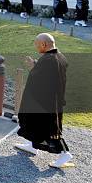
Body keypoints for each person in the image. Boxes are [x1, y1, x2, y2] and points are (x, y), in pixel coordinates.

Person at [15, 33, 73, 169]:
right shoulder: (58, 56)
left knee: (51, 129)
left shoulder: (49, 59)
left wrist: (35, 66)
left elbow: (46, 79)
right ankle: (32, 145)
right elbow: (48, 75)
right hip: (41, 100)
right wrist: (35, 64)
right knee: (33, 122)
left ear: (44, 44)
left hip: (47, 102)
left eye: (37, 45)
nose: (36, 48)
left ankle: (65, 154)